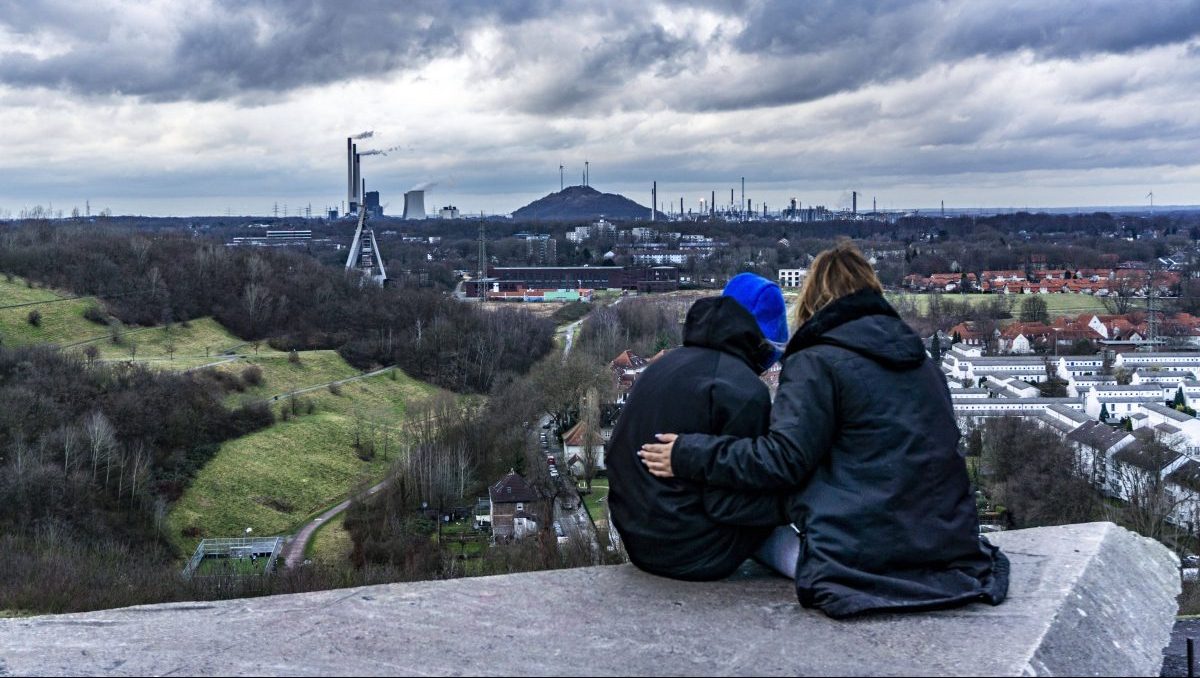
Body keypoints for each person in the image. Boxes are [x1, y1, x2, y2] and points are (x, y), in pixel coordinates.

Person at [640, 242, 1008, 618]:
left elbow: (782, 460)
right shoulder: (923, 361)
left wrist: (689, 454)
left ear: (813, 298)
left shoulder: (816, 360)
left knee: (734, 518)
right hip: (946, 545)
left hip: (862, 555)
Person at [607, 273, 790, 581]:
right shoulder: (744, 392)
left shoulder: (663, 365)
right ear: (768, 342)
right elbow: (730, 504)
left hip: (639, 543)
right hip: (697, 553)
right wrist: (792, 505)